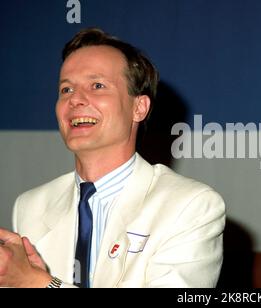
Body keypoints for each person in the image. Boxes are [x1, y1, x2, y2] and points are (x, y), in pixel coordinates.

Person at [0, 28, 225, 288]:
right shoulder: (31, 206)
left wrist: (38, 284)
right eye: (66, 89)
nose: (75, 99)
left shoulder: (191, 206)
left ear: (139, 108)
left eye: (97, 85)